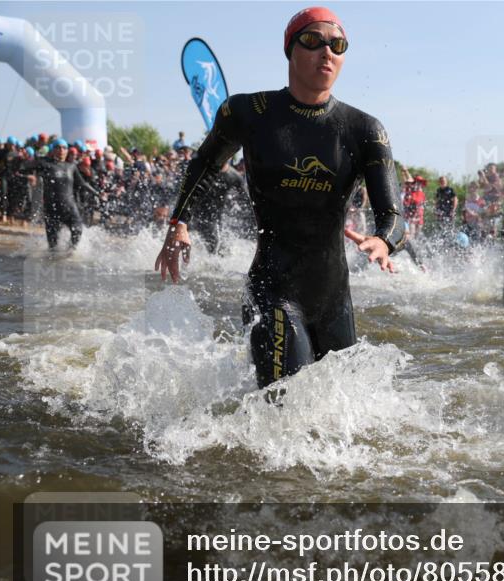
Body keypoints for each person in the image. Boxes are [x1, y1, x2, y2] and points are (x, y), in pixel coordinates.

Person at [154, 6, 405, 388]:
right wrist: (179, 224)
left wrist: (383, 240)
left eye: (337, 45)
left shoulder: (363, 129)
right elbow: (204, 166)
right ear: (290, 49)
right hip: (273, 290)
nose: (327, 52)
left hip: (334, 299)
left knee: (337, 419)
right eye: (313, 40)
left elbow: (394, 216)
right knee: (284, 407)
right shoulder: (248, 112)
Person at [21, 139, 99, 249]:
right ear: (53, 150)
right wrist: (29, 174)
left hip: (69, 207)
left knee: (77, 231)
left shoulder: (71, 166)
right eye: (58, 147)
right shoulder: (44, 163)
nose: (61, 150)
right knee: (53, 246)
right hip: (52, 209)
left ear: (67, 151)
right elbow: (23, 168)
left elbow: (82, 183)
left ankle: (70, 254)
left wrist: (98, 194)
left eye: (64, 148)